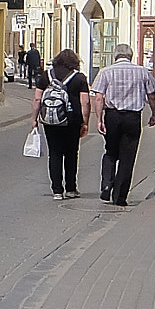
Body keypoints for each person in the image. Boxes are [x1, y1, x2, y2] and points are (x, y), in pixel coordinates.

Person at [90, 44, 155, 207]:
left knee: (110, 151)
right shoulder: (142, 71)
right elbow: (152, 95)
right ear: (131, 56)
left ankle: (107, 184)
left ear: (115, 56)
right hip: (132, 117)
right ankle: (120, 196)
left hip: (112, 116)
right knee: (128, 157)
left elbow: (99, 97)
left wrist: (99, 119)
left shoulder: (106, 72)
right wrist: (154, 114)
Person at [32, 49, 94, 200]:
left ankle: (57, 190)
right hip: (72, 121)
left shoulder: (47, 75)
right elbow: (85, 101)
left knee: (55, 153)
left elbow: (37, 99)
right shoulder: (79, 78)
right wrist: (85, 122)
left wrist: (34, 119)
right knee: (71, 154)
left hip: (50, 121)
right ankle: (71, 188)